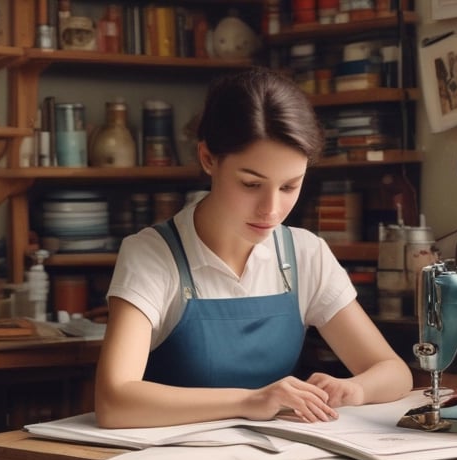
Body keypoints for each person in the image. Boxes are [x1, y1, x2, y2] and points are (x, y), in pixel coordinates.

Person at [95, 67, 413, 429]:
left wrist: (352, 389)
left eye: (290, 186)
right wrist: (251, 400)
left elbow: (394, 373)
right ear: (208, 158)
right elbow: (113, 401)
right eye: (250, 184)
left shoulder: (305, 254)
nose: (271, 209)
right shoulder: (152, 256)